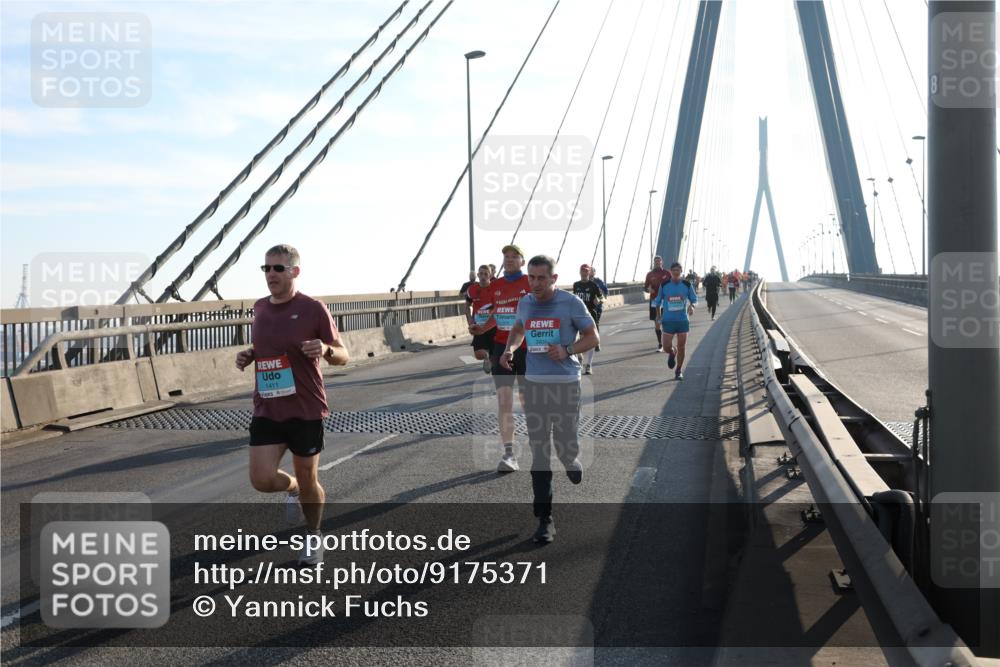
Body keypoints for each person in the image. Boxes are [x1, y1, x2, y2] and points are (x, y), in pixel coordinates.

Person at [235, 244, 350, 565]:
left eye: (277, 268)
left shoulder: (313, 308)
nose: (270, 274)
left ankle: (313, 536)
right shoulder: (259, 308)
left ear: (294, 271)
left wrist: (326, 350)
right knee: (261, 480)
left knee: (311, 478)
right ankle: (293, 487)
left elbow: (343, 355)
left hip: (305, 408)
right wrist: (250, 355)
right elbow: (267, 346)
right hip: (268, 407)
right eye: (266, 269)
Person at [500, 255, 599, 544]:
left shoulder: (571, 303)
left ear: (553, 279)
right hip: (534, 385)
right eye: (531, 277)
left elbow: (593, 337)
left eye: (541, 278)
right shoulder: (526, 302)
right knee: (539, 450)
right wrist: (510, 349)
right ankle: (545, 519)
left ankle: (570, 458)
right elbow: (518, 330)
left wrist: (568, 349)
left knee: (564, 442)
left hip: (567, 383)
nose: (535, 283)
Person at [469, 245, 530, 472]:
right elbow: (496, 314)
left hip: (526, 348)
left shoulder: (529, 283)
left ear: (522, 262)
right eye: (506, 257)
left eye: (515, 257)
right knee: (504, 402)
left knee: (527, 401)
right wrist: (482, 328)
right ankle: (509, 454)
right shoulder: (496, 286)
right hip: (500, 347)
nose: (510, 260)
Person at [653, 261, 698, 380]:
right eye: (674, 270)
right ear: (671, 272)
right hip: (668, 320)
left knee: (682, 346)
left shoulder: (687, 285)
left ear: (681, 271)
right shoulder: (665, 285)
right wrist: (658, 315)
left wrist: (692, 306)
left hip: (683, 320)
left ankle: (678, 370)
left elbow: (694, 299)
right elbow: (657, 301)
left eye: (678, 270)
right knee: (666, 347)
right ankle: (672, 353)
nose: (676, 272)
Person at [572, 264, 604, 375]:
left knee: (590, 340)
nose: (584, 273)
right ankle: (580, 359)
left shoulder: (593, 285)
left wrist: (598, 301)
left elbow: (601, 297)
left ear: (589, 272)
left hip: (590, 315)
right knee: (579, 340)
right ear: (580, 272)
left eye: (586, 271)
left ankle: (588, 365)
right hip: (578, 316)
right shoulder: (576, 285)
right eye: (583, 271)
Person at [465, 264, 494, 374]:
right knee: (478, 355)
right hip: (478, 325)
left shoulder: (495, 288)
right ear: (477, 275)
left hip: (493, 325)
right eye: (481, 274)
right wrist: (470, 321)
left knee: (495, 352)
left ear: (490, 275)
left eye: (486, 274)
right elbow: (466, 306)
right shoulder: (472, 289)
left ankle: (491, 360)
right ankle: (487, 358)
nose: (483, 276)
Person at [644, 256, 672, 351]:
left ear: (662, 262)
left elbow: (673, 284)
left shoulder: (667, 273)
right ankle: (660, 344)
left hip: (666, 300)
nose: (657, 263)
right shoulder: (650, 274)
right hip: (654, 301)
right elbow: (645, 287)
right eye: (655, 261)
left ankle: (666, 342)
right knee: (657, 323)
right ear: (653, 263)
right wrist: (649, 290)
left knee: (666, 322)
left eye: (659, 261)